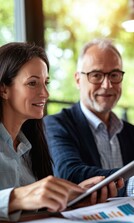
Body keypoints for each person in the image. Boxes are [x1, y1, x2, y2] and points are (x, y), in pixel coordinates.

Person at [0, 42, 123, 222]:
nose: (45, 93)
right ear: (3, 89)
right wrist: (16, 197)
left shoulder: (30, 147)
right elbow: (20, 203)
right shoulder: (57, 126)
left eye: (46, 83)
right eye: (32, 83)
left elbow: (31, 213)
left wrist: (72, 200)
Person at [44, 38, 134, 197]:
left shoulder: (130, 132)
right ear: (78, 80)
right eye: (96, 75)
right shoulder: (56, 125)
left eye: (114, 74)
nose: (107, 85)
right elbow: (70, 174)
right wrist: (130, 184)